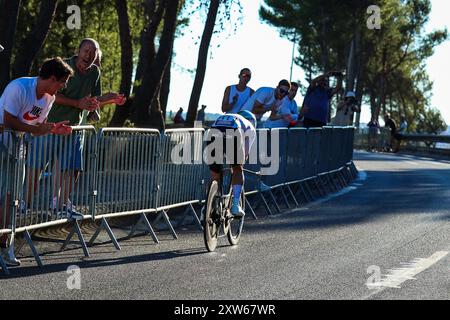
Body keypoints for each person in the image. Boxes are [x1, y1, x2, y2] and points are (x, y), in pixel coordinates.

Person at [0, 57, 74, 266]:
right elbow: (9, 121)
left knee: (13, 199)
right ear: (52, 78)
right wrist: (38, 129)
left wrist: (52, 129)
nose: (63, 87)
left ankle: (5, 247)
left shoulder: (49, 98)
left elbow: (36, 126)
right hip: (2, 144)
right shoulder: (19, 87)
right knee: (3, 197)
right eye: (62, 82)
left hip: (18, 147)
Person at [44, 38, 126, 213]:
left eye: (93, 52)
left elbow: (93, 100)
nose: (88, 55)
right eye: (86, 51)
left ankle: (62, 203)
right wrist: (77, 103)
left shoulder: (95, 72)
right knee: (42, 166)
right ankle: (27, 207)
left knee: (73, 168)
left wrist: (111, 98)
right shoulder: (64, 67)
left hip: (77, 127)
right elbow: (51, 94)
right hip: (52, 123)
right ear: (78, 51)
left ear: (97, 56)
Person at [205, 110, 257, 217]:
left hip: (213, 131)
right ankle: (235, 206)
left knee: (215, 174)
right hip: (233, 131)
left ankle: (207, 208)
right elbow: (245, 154)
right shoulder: (250, 127)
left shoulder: (229, 116)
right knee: (238, 168)